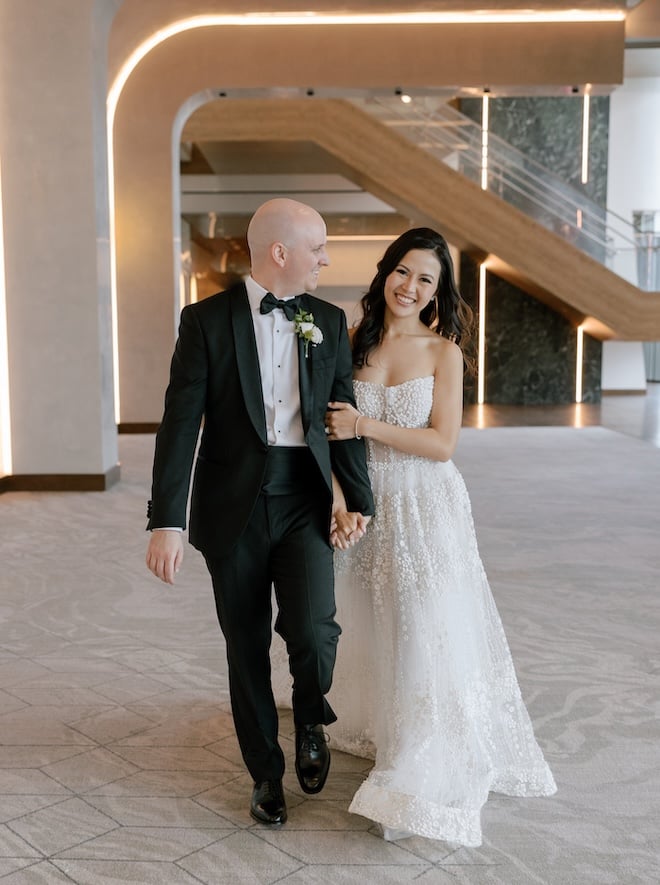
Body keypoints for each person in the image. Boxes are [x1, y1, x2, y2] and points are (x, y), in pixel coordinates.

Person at [145, 198, 374, 827]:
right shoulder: (205, 322)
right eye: (319, 247)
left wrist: (359, 500)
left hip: (303, 499)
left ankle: (309, 715)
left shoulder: (328, 320)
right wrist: (167, 519)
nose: (326, 259)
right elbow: (179, 426)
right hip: (231, 509)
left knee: (314, 631)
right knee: (243, 644)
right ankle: (265, 775)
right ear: (281, 252)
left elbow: (342, 419)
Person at [324, 227, 556, 846]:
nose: (410, 286)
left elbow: (442, 443)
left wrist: (365, 421)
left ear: (438, 291)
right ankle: (382, 722)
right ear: (385, 274)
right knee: (371, 618)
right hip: (366, 501)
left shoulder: (443, 353)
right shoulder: (353, 344)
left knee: (425, 622)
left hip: (426, 503)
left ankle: (418, 759)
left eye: (425, 278)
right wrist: (341, 501)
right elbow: (331, 436)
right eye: (402, 271)